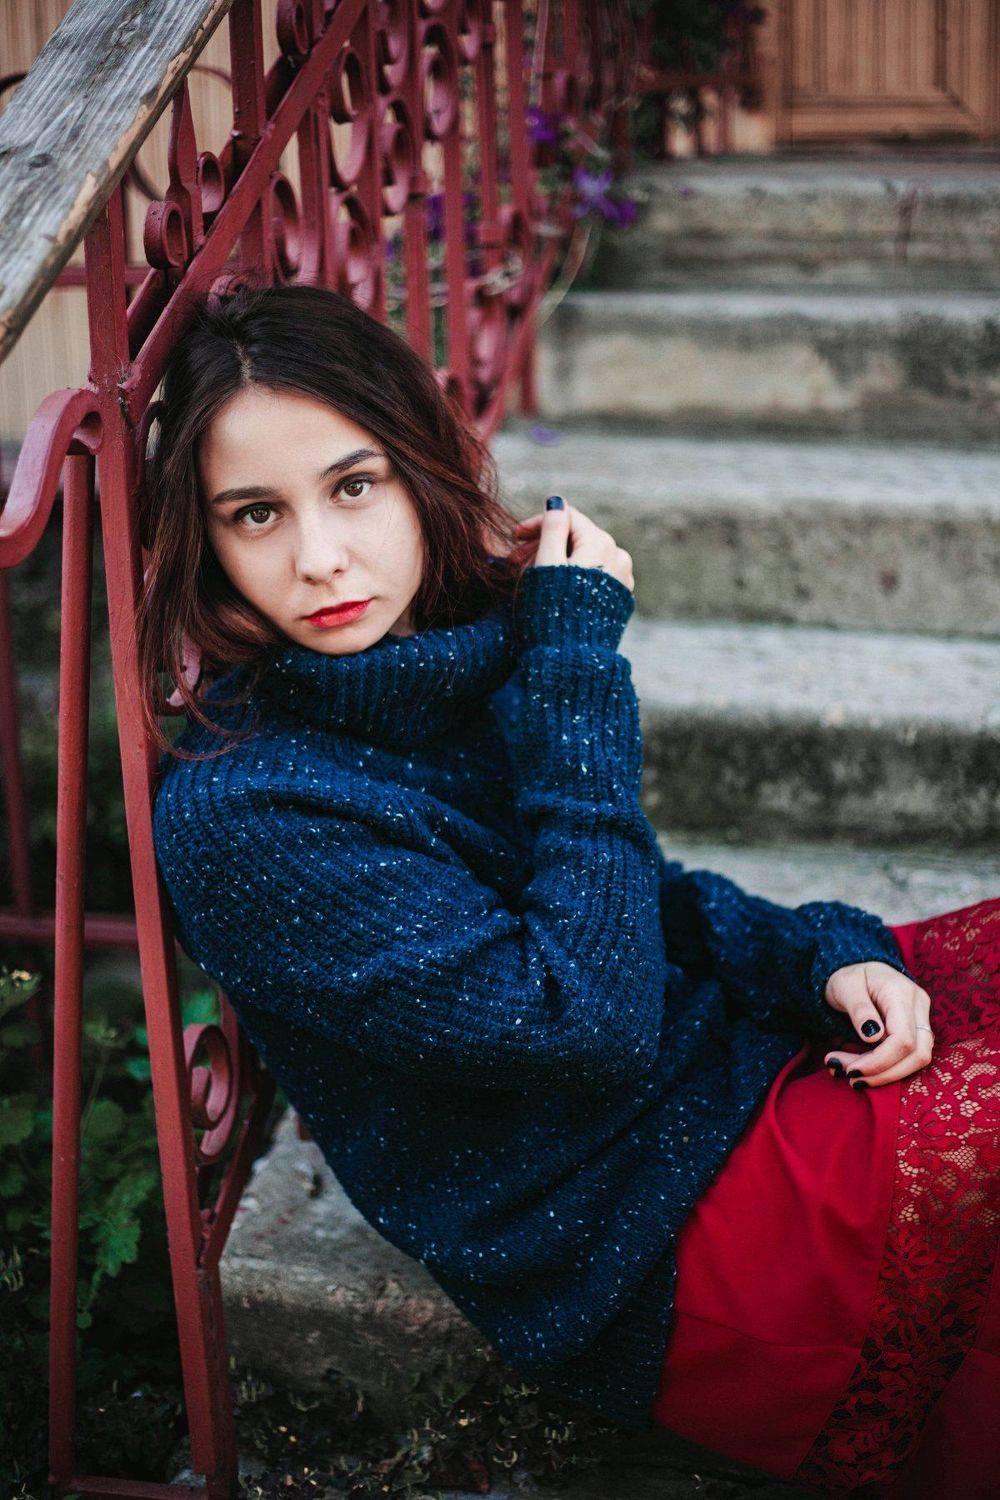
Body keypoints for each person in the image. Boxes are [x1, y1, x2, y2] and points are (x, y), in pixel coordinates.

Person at [143, 281, 999, 1495]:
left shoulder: (450, 656)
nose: (319, 557)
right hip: (649, 1239)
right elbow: (585, 1022)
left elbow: (625, 894)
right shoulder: (248, 816)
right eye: (255, 513)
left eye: (353, 486)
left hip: (729, 1085)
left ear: (418, 471)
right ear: (209, 541)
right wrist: (574, 674)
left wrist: (818, 952)